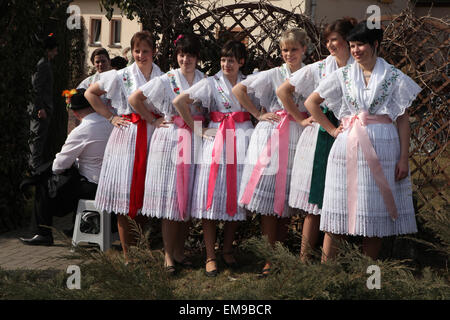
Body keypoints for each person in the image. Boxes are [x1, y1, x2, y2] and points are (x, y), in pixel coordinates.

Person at [304, 21, 421, 262]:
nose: (356, 50)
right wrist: (332, 130)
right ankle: (327, 276)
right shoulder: (343, 74)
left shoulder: (393, 76)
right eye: (353, 45)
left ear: (375, 45)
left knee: (375, 214)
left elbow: (402, 120)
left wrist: (403, 158)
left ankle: (367, 277)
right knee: (338, 211)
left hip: (384, 149)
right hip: (348, 148)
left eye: (361, 45)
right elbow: (311, 103)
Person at [277, 17, 357, 262]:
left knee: (341, 200)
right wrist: (303, 120)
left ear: (348, 41)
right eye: (328, 40)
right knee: (316, 201)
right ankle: (304, 259)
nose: (331, 45)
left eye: (335, 40)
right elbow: (283, 91)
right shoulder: (321, 67)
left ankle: (332, 260)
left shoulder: (359, 67)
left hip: (350, 136)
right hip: (322, 136)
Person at [233, 28, 311, 276]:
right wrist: (257, 114)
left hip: (299, 135)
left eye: (294, 49)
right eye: (285, 50)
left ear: (304, 49)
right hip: (273, 135)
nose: (289, 54)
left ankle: (281, 253)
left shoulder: (311, 73)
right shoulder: (273, 74)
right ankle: (269, 255)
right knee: (269, 198)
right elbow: (239, 90)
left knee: (288, 195)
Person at [173, 40, 255, 276]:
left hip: (242, 141)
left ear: (241, 61)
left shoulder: (249, 83)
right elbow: (179, 102)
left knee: (237, 197)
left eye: (231, 59)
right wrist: (198, 130)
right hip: (216, 142)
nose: (226, 64)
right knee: (211, 199)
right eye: (223, 60)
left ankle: (227, 249)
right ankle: (210, 255)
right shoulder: (210, 83)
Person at [128, 34, 205, 274]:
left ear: (197, 58)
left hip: (196, 138)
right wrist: (152, 119)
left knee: (188, 198)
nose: (186, 59)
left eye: (190, 55)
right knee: (173, 199)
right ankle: (168, 256)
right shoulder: (167, 79)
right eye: (182, 55)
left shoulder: (205, 80)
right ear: (176, 56)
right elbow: (135, 98)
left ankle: (180, 252)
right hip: (171, 139)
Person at [85, 31, 164, 262]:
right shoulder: (121, 75)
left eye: (146, 51)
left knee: (146, 195)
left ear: (154, 52)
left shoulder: (162, 76)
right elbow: (90, 93)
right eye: (137, 50)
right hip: (128, 137)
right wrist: (110, 117)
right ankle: (129, 255)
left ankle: (142, 248)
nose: (141, 55)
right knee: (124, 197)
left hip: (152, 136)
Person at [19, 88, 113, 245]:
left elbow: (59, 165)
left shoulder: (82, 130)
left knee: (45, 184)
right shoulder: (110, 123)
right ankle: (81, 226)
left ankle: (42, 233)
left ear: (75, 113)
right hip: (112, 183)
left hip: (93, 186)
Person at [28, 33, 58, 173]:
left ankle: (35, 166)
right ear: (48, 50)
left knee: (39, 139)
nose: (56, 53)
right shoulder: (43, 65)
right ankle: (34, 168)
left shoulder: (45, 63)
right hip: (41, 109)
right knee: (37, 139)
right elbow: (37, 88)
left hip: (43, 107)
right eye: (54, 50)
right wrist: (40, 107)